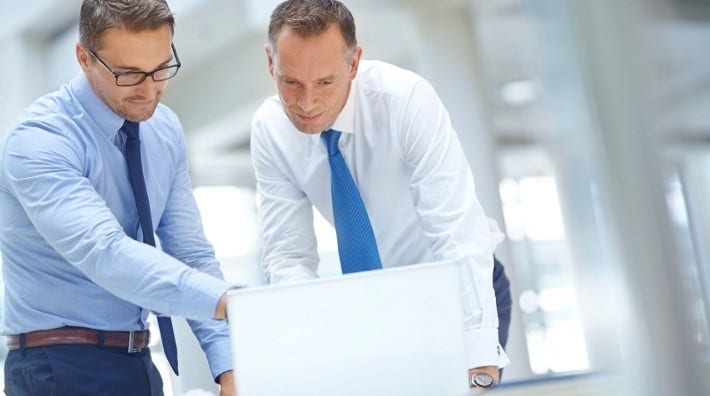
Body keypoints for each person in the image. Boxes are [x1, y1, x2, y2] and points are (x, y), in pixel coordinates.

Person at [251, 0, 510, 390]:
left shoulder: (405, 101)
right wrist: (302, 354)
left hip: (456, 293)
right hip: (372, 310)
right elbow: (289, 256)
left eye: (325, 82)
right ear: (271, 62)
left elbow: (455, 234)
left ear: (353, 65)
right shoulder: (271, 129)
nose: (307, 103)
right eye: (291, 82)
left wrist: (478, 363)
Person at [0, 1, 235, 395]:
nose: (149, 89)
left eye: (161, 68)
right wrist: (226, 301)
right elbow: (105, 253)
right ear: (84, 58)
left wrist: (227, 365)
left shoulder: (163, 130)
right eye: (129, 74)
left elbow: (190, 253)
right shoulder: (39, 141)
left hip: (139, 359)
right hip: (58, 367)